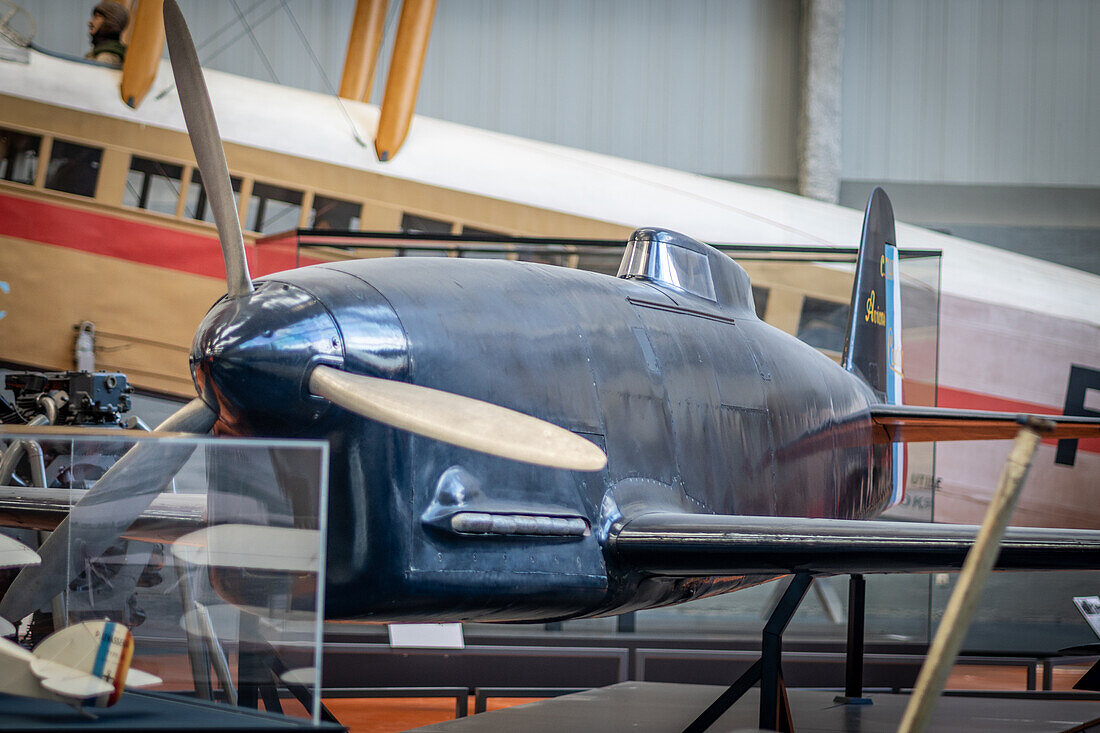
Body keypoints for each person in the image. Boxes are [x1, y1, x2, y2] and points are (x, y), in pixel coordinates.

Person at [85, 1, 129, 67]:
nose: (90, 22)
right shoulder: (98, 52)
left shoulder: (106, 57)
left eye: (97, 17)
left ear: (110, 22)